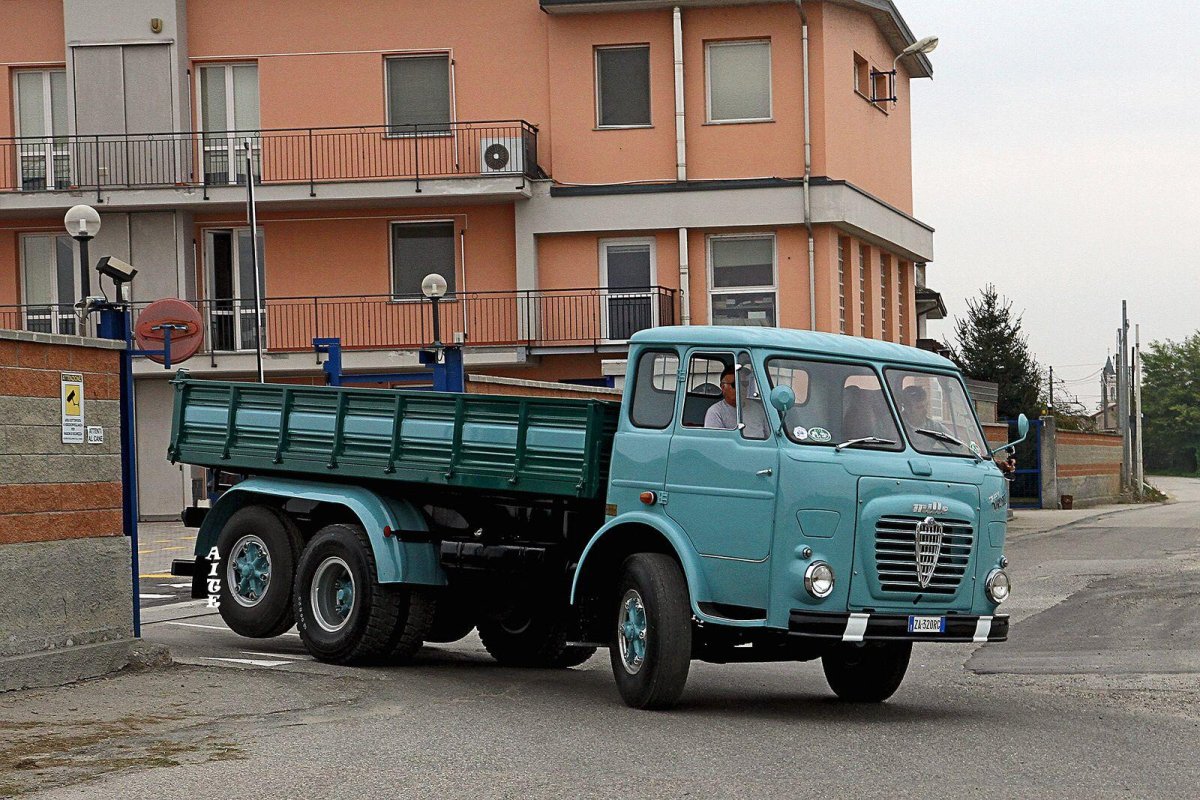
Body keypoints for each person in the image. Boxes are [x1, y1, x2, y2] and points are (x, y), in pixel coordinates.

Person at [704, 365, 767, 438]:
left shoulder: (757, 408)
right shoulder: (715, 412)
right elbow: (716, 444)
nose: (742, 388)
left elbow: (771, 438)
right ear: (723, 387)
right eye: (735, 384)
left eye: (744, 384)